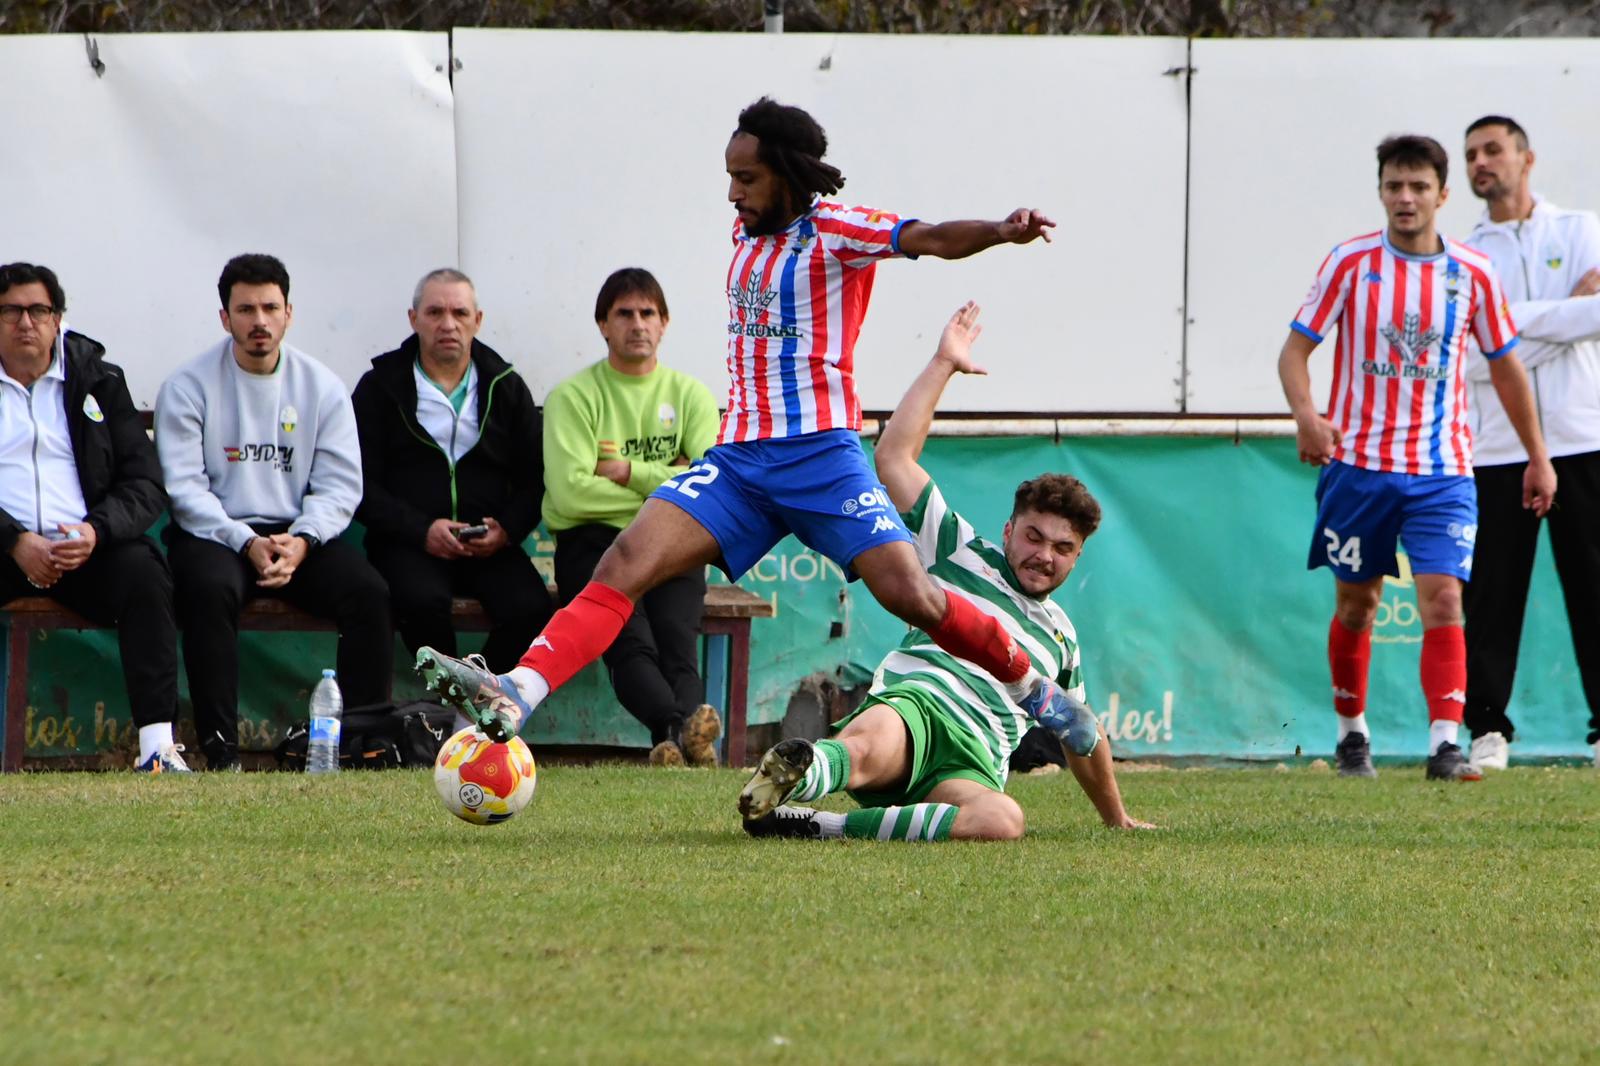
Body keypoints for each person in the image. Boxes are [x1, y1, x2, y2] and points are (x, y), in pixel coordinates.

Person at [418, 97, 1086, 751]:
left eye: (746, 179)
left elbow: (933, 238)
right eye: (730, 178)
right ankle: (518, 691)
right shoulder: (746, 228)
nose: (732, 195)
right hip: (739, 460)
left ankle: (1032, 688)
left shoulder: (838, 230)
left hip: (822, 457)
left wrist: (1001, 231)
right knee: (622, 561)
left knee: (912, 594)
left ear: (786, 176)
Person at [738, 302, 1152, 840]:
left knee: (1003, 820)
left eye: (1062, 547)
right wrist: (943, 363)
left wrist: (1116, 817)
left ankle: (819, 826)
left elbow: (1081, 734)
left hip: (972, 763)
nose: (1043, 555)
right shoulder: (961, 550)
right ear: (1008, 530)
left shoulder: (1062, 642)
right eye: (1033, 536)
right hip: (918, 709)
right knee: (863, 749)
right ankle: (802, 770)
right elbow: (892, 460)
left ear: (1076, 556)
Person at [1276, 134, 1557, 782]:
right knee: (1358, 606)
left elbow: (1509, 371)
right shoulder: (1350, 264)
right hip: (1360, 468)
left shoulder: (1471, 273)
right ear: (1381, 191)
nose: (1406, 198)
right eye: (1395, 186)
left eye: (1419, 187)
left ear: (1442, 195)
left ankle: (1444, 746)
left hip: (1444, 472)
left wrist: (1537, 457)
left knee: (1445, 602)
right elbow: (1294, 351)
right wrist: (1308, 417)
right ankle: (1353, 738)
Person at [156, 254, 391, 770]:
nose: (258, 321)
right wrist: (245, 541)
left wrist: (302, 540)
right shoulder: (187, 385)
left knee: (368, 592)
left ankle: (364, 747)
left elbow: (339, 485)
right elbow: (185, 491)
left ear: (289, 313)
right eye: (245, 309)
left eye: (269, 307)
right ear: (225, 318)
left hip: (297, 537)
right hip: (216, 535)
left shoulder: (322, 386)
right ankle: (222, 752)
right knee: (206, 588)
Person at [0, 263, 188, 772]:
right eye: (12, 310)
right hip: (4, 547)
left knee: (145, 573)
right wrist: (15, 541)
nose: (26, 323)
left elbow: (144, 481)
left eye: (39, 310)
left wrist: (96, 532)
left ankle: (157, 747)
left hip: (82, 547)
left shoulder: (98, 379)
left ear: (58, 319)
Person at [1458, 116, 1600, 771]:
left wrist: (1509, 329)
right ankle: (1487, 730)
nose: (1481, 163)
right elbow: (1472, 355)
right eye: (1471, 156)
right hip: (1497, 448)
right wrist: (1561, 316)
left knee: (1594, 585)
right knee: (1491, 592)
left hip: (1582, 437)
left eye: (1493, 150)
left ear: (1526, 158)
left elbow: (1593, 317)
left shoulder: (1581, 229)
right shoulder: (1464, 255)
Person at [542, 268, 722, 767]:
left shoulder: (691, 396)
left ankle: (679, 739)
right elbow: (570, 493)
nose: (637, 323)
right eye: (624, 313)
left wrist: (625, 471)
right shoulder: (572, 398)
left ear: (665, 323)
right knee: (629, 642)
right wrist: (671, 478)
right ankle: (677, 731)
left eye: (648, 313)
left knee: (677, 639)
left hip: (674, 536)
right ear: (603, 324)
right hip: (592, 540)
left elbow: (709, 483)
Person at [352, 269, 551, 685]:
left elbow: (536, 479)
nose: (448, 324)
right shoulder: (379, 388)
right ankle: (450, 708)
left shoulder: (506, 387)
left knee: (531, 609)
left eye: (460, 313)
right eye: (435, 312)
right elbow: (360, 484)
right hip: (409, 542)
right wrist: (421, 529)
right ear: (413, 318)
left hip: (488, 543)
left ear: (477, 320)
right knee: (420, 603)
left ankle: (474, 703)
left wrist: (507, 530)